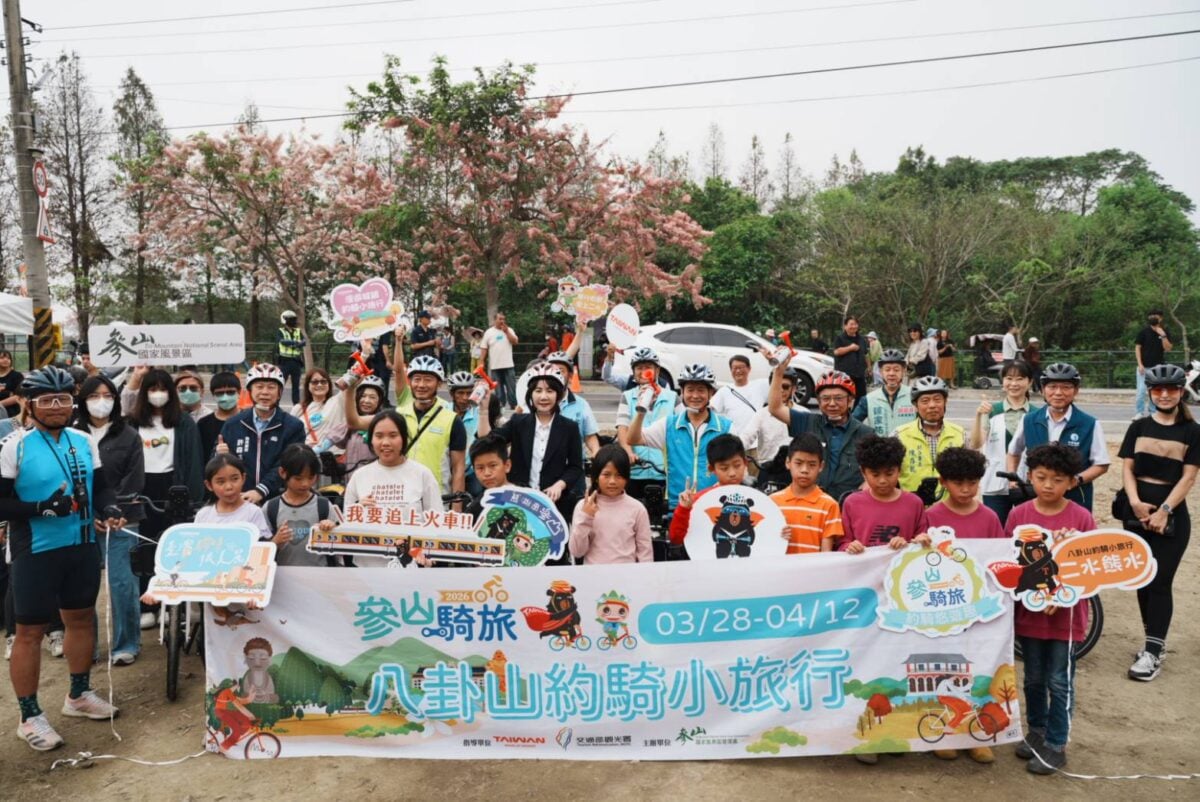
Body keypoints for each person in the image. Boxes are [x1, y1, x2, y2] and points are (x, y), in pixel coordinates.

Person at [2, 367, 122, 751]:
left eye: (65, 399)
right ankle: (29, 715)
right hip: (36, 550)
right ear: (29, 404)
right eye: (47, 400)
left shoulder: (84, 440)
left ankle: (78, 695)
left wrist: (110, 508)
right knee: (31, 633)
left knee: (81, 619)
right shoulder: (14, 445)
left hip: (82, 544)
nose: (57, 407)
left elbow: (101, 489)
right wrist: (41, 508)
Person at [1006, 443, 1095, 775]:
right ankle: (1036, 733)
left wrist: (1061, 595)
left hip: (1066, 618)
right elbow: (1010, 565)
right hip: (1029, 615)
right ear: (1029, 476)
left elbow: (1092, 569)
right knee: (1033, 678)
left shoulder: (1081, 518)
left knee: (1060, 680)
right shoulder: (1018, 515)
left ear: (1071, 482)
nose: (1047, 485)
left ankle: (1057, 744)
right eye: (1040, 477)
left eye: (1057, 479)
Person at [1117, 364, 1200, 682]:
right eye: (1157, 390)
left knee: (1160, 581)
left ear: (1181, 392)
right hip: (1135, 513)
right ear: (1150, 392)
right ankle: (1154, 642)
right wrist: (1136, 502)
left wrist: (1164, 509)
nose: (1164, 395)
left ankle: (1152, 652)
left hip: (1172, 517)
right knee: (1141, 579)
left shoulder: (1192, 432)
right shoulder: (1138, 427)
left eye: (1171, 389)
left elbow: (1189, 477)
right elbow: (1127, 469)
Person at [73, 374, 145, 666]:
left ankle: (126, 643)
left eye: (107, 395)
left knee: (122, 583)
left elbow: (134, 479)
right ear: (83, 399)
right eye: (94, 395)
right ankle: (85, 646)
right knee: (82, 586)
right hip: (81, 521)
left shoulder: (128, 434)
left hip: (123, 520)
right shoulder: (71, 434)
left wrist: (114, 511)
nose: (100, 402)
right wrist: (90, 515)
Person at [127, 368, 205, 628]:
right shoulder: (132, 423)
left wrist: (193, 498)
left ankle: (173, 604)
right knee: (144, 548)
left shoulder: (184, 423)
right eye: (152, 389)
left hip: (174, 487)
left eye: (163, 389)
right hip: (142, 488)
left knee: (174, 549)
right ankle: (146, 603)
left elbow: (194, 462)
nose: (158, 394)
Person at [477, 364, 583, 529]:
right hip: (518, 500)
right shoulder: (518, 422)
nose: (543, 396)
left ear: (559, 395)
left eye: (550, 391)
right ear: (530, 394)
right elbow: (487, 441)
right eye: (538, 390)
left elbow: (576, 467)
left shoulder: (569, 427)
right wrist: (483, 410)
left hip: (553, 505)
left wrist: (559, 485)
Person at [627, 363, 732, 514]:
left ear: (711, 393)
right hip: (678, 507)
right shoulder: (669, 425)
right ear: (681, 392)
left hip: (715, 507)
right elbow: (633, 439)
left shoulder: (726, 427)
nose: (695, 396)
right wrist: (641, 412)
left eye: (701, 390)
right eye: (690, 390)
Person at [343, 410, 444, 567]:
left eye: (393, 435)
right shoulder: (359, 476)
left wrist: (423, 554)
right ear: (371, 440)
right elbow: (346, 526)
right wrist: (358, 511)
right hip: (366, 570)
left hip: (411, 568)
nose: (385, 442)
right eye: (379, 436)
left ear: (403, 438)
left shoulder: (422, 474)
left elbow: (437, 522)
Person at [1006, 362, 1109, 511]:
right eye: (1052, 387)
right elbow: (1013, 452)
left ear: (1076, 391)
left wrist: (1076, 480)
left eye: (1066, 387)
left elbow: (1101, 464)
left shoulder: (1089, 423)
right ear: (1042, 390)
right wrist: (1012, 477)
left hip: (1075, 497)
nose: (1058, 392)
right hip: (1036, 497)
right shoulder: (1029, 420)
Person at [374, 343, 466, 497]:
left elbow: (458, 468)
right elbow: (355, 422)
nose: (421, 385)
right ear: (410, 382)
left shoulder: (452, 420)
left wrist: (456, 508)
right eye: (417, 379)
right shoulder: (398, 415)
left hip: (437, 497)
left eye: (428, 380)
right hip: (399, 496)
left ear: (439, 383)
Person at [770, 367, 871, 501]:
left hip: (849, 504)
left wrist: (867, 485)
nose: (832, 404)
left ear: (851, 400)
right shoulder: (807, 421)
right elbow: (775, 408)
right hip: (811, 502)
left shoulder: (866, 433)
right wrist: (778, 372)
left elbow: (876, 468)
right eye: (825, 398)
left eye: (839, 398)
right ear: (818, 401)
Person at [218, 363, 306, 503]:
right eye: (259, 386)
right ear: (249, 390)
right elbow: (217, 465)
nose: (265, 392)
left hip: (279, 501)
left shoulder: (293, 426)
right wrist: (219, 454)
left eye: (271, 387)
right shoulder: (233, 424)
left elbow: (287, 464)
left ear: (279, 393)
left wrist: (261, 490)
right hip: (239, 499)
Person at [839, 435, 931, 555]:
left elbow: (922, 542)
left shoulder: (914, 503)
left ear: (899, 470)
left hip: (901, 571)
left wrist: (909, 543)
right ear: (863, 472)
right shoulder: (852, 503)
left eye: (889, 474)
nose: (882, 480)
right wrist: (850, 546)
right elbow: (841, 543)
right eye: (875, 475)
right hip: (864, 571)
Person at [970, 361, 1035, 525]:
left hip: (1028, 484)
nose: (1014, 384)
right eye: (1009, 378)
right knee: (996, 527)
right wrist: (978, 416)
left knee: (1027, 529)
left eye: (1020, 379)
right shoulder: (992, 410)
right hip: (995, 481)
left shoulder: (1037, 414)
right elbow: (976, 443)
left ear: (1030, 382)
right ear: (1003, 381)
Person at [612, 347, 678, 504]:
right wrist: (628, 452)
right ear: (633, 372)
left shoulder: (673, 397)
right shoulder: (627, 397)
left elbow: (680, 430)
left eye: (648, 367)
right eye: (639, 368)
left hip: (664, 471)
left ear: (657, 370)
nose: (643, 372)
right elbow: (622, 429)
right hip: (636, 469)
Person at [569, 444, 653, 564]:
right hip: (594, 577)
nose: (612, 481)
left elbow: (645, 554)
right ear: (596, 477)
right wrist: (585, 517)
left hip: (626, 578)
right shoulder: (584, 506)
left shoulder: (637, 509)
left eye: (619, 475)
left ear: (627, 477)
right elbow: (577, 552)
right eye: (606, 475)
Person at [262, 444, 344, 567]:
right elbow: (260, 553)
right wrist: (275, 542)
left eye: (311, 477)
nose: (305, 484)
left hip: (319, 577)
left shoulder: (323, 506)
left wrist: (332, 529)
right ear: (282, 473)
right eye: (298, 478)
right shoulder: (271, 508)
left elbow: (341, 546)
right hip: (283, 578)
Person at [666, 434, 752, 548]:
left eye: (737, 465)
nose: (732, 473)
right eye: (724, 468)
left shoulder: (757, 500)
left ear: (745, 463)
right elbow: (676, 538)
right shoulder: (697, 500)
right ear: (712, 469)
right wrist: (683, 509)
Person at [894, 376, 964, 504]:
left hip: (950, 507)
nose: (932, 405)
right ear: (915, 405)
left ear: (945, 401)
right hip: (910, 506)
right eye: (925, 401)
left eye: (937, 399)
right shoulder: (899, 435)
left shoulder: (959, 434)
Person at [771, 433, 843, 554]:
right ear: (788, 463)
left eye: (812, 465)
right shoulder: (772, 502)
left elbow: (826, 553)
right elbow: (764, 543)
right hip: (780, 571)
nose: (804, 470)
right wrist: (775, 536)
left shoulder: (829, 505)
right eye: (798, 463)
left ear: (821, 466)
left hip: (814, 572)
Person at [739, 366, 799, 485]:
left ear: (794, 389)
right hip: (768, 469)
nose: (781, 390)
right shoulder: (762, 414)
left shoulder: (803, 413)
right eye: (776, 386)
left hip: (795, 471)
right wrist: (733, 450)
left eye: (786, 386)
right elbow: (746, 437)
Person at [194, 454, 272, 540]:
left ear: (243, 478)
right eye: (221, 482)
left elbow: (261, 547)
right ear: (209, 485)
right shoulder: (203, 515)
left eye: (235, 479)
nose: (229, 487)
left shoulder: (253, 512)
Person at [853, 348, 915, 436]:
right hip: (879, 448)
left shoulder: (914, 395)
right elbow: (852, 424)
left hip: (909, 448)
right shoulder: (869, 399)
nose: (891, 373)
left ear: (904, 371)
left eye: (896, 370)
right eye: (887, 369)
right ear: (881, 372)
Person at [290, 368, 347, 458]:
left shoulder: (338, 401)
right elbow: (290, 435)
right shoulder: (298, 409)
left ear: (329, 384)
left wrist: (364, 355)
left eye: (323, 381)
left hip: (333, 458)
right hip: (307, 459)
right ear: (308, 385)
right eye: (314, 382)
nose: (319, 385)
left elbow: (351, 378)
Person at [340, 375, 389, 481]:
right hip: (351, 481)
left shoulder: (384, 423)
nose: (366, 401)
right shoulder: (350, 422)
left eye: (372, 397)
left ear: (379, 401)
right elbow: (333, 438)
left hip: (376, 481)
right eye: (363, 396)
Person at [710, 354, 770, 434]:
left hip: (756, 440)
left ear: (749, 369)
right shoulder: (724, 391)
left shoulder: (761, 385)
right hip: (734, 440)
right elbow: (710, 410)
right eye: (734, 368)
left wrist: (772, 360)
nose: (738, 371)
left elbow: (778, 379)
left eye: (741, 367)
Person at [1133, 309, 1173, 419]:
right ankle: (1139, 412)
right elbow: (1137, 348)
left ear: (1161, 318)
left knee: (1155, 391)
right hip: (1144, 367)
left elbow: (1168, 348)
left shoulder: (1164, 331)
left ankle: (1153, 412)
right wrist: (1140, 364)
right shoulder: (1143, 332)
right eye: (1151, 316)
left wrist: (1163, 336)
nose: (1153, 318)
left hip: (1158, 367)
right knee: (1141, 391)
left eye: (1155, 316)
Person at [197, 371, 242, 461]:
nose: (225, 397)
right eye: (220, 393)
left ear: (239, 392)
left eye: (230, 392)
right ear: (213, 394)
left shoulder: (249, 420)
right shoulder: (203, 424)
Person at [480, 311, 519, 410]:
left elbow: (515, 342)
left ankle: (513, 404)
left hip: (508, 364)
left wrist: (506, 332)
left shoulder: (509, 330)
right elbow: (484, 348)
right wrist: (481, 361)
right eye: (500, 319)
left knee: (512, 387)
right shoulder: (489, 332)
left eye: (503, 319)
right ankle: (500, 405)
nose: (502, 321)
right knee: (498, 388)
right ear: (494, 320)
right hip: (495, 365)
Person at [832, 315, 869, 399]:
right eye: (851, 324)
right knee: (844, 396)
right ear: (845, 326)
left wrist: (869, 367)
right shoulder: (840, 338)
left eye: (856, 324)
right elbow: (836, 352)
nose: (854, 326)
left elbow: (866, 354)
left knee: (861, 397)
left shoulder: (862, 339)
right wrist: (850, 348)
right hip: (845, 374)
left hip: (859, 374)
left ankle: (858, 412)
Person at [275, 311, 307, 406]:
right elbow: (282, 341)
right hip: (284, 361)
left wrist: (298, 342)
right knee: (281, 384)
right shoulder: (281, 331)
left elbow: (304, 341)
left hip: (296, 361)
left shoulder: (297, 331)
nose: (293, 321)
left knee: (296, 385)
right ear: (284, 320)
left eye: (294, 319)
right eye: (291, 319)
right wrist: (296, 342)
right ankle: (275, 404)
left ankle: (296, 405)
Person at [0, 349, 25, 416]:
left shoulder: (17, 376)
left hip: (12, 414)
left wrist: (0, 404)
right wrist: (8, 393)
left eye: (8, 358)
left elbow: (18, 396)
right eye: (2, 358)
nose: (6, 360)